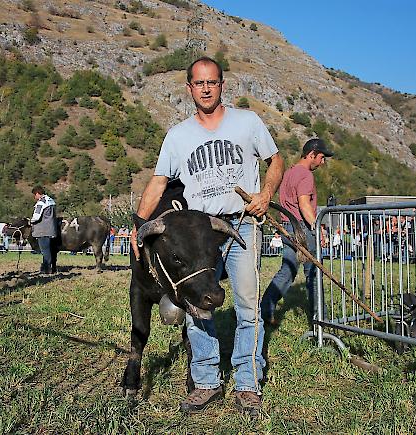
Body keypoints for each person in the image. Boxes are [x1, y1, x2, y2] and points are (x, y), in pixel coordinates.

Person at [130, 56, 284, 415]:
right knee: (196, 304)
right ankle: (206, 381)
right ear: (189, 88)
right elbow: (159, 181)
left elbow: (275, 160)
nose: (205, 88)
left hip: (241, 222)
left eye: (212, 82)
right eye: (198, 83)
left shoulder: (248, 122)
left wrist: (265, 195)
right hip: (199, 232)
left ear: (221, 85)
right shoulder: (178, 135)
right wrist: (139, 225)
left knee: (247, 305)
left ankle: (247, 384)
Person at [260, 138, 333, 327]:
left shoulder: (289, 173)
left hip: (287, 226)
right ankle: (320, 320)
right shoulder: (306, 175)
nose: (322, 162)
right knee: (313, 273)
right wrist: (318, 228)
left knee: (289, 269)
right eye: (322, 157)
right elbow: (304, 203)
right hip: (302, 228)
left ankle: (265, 308)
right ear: (312, 155)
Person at [31, 186, 58, 274]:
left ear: (38, 194)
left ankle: (47, 269)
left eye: (34, 195)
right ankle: (48, 268)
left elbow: (36, 217)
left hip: (42, 230)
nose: (34, 197)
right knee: (49, 250)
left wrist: (30, 221)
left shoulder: (41, 203)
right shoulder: (51, 201)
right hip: (51, 229)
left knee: (45, 251)